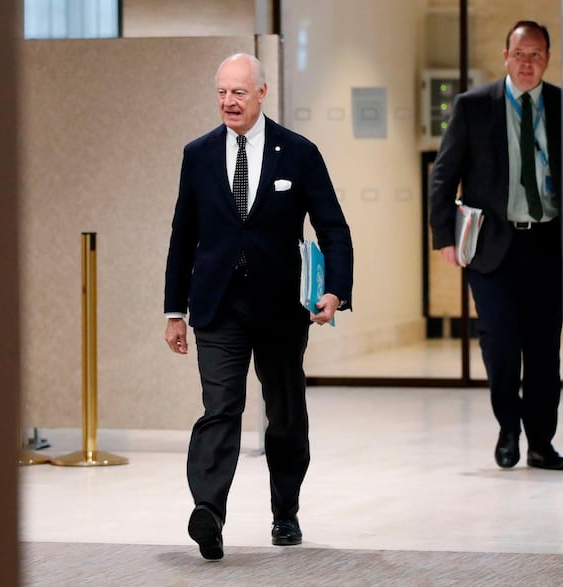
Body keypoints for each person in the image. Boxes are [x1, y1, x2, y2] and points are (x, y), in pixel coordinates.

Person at [163, 53, 353, 560]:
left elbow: (333, 228)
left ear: (262, 92)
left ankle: (284, 511)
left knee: (285, 412)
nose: (229, 101)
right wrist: (173, 311)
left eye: (239, 92)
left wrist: (336, 291)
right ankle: (209, 511)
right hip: (217, 307)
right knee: (220, 408)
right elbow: (183, 237)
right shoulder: (198, 154)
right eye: (222, 92)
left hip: (280, 309)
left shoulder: (298, 153)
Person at [429, 21, 563, 471]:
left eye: (537, 55)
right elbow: (444, 174)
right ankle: (509, 427)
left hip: (549, 244)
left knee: (544, 350)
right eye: (520, 54)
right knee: (501, 345)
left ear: (548, 58)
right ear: (506, 56)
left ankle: (541, 442)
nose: (528, 63)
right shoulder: (474, 106)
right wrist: (445, 237)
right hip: (492, 248)